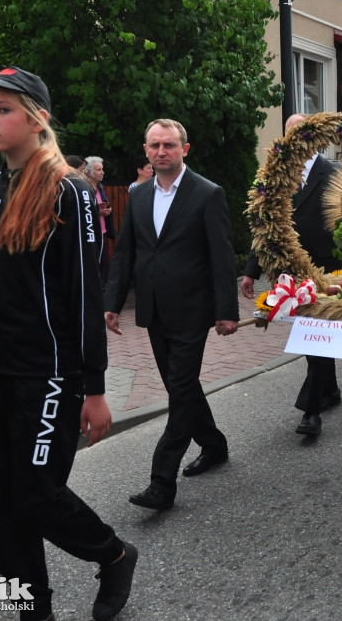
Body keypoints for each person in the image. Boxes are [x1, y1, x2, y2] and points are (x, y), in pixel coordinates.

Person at [0, 66, 137, 621]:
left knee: (35, 494)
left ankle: (113, 555)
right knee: (0, 502)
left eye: (4, 109)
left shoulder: (71, 192)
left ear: (37, 120)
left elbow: (84, 293)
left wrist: (94, 386)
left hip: (48, 374)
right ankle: (31, 610)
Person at [105, 118, 239, 511]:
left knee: (180, 391)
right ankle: (214, 446)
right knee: (181, 385)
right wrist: (112, 303)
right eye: (154, 145)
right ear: (145, 151)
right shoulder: (140, 195)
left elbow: (222, 255)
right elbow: (126, 252)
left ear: (185, 149)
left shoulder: (207, 194)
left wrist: (226, 311)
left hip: (193, 311)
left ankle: (161, 482)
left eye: (168, 144)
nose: (161, 151)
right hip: (153, 309)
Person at [242, 114, 342, 436]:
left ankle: (311, 410)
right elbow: (263, 224)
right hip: (287, 270)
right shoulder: (272, 176)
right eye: (289, 132)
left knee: (315, 334)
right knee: (313, 335)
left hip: (323, 267)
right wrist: (250, 272)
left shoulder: (333, 172)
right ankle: (330, 391)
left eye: (300, 132)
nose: (294, 138)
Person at [83, 155, 116, 284]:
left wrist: (104, 209)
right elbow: (84, 210)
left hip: (101, 230)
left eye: (102, 169)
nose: (102, 172)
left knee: (104, 263)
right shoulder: (84, 188)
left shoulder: (100, 188)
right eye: (98, 169)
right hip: (90, 232)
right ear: (88, 172)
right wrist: (98, 211)